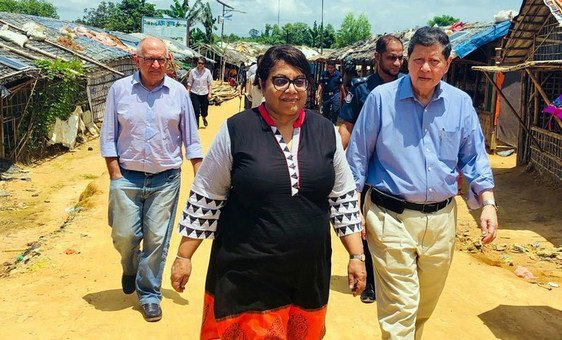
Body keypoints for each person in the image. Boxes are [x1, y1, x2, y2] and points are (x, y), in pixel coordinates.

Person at [170, 45, 366, 339]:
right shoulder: (237, 130)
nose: (291, 89)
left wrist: (356, 256)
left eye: (299, 81)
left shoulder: (325, 131)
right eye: (280, 80)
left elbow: (343, 197)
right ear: (261, 84)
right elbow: (207, 196)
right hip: (248, 273)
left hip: (307, 272)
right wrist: (184, 256)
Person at [346, 27, 499, 339]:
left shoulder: (460, 104)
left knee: (422, 309)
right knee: (401, 309)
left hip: (442, 221)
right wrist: (353, 207)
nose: (425, 68)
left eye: (433, 61)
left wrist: (488, 203)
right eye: (417, 60)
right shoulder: (380, 100)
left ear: (447, 63)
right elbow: (358, 157)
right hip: (390, 218)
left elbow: (474, 158)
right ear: (407, 62)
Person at [100, 36, 203, 322]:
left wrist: (200, 177)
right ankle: (130, 265)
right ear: (137, 60)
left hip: (166, 179)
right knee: (125, 235)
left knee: (157, 238)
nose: (156, 64)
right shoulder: (119, 90)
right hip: (127, 177)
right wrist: (115, 174)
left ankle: (148, 294)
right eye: (149, 59)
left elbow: (191, 139)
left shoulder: (179, 93)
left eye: (161, 59)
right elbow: (108, 136)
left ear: (168, 60)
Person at [339, 34, 405, 304]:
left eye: (400, 57)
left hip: (396, 168)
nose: (397, 62)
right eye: (391, 57)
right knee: (366, 225)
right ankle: (370, 281)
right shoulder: (362, 89)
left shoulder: (408, 88)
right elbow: (346, 126)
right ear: (377, 57)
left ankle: (390, 277)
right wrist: (332, 158)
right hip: (366, 169)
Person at [187, 57, 213, 128]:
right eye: (199, 63)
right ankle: (196, 123)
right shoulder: (192, 71)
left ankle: (204, 118)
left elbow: (210, 83)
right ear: (197, 63)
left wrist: (210, 93)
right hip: (194, 93)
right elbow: (190, 82)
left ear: (204, 64)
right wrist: (187, 93)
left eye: (202, 63)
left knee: (204, 110)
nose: (200, 64)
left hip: (204, 93)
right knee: (196, 110)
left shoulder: (207, 72)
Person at [316, 60, 342, 124]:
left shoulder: (338, 74)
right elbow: (321, 84)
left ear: (334, 67)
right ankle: (326, 124)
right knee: (325, 111)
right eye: (328, 68)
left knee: (335, 109)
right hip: (326, 95)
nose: (330, 69)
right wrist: (318, 93)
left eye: (331, 68)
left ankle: (334, 123)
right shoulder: (324, 74)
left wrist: (344, 95)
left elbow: (341, 85)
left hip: (335, 94)